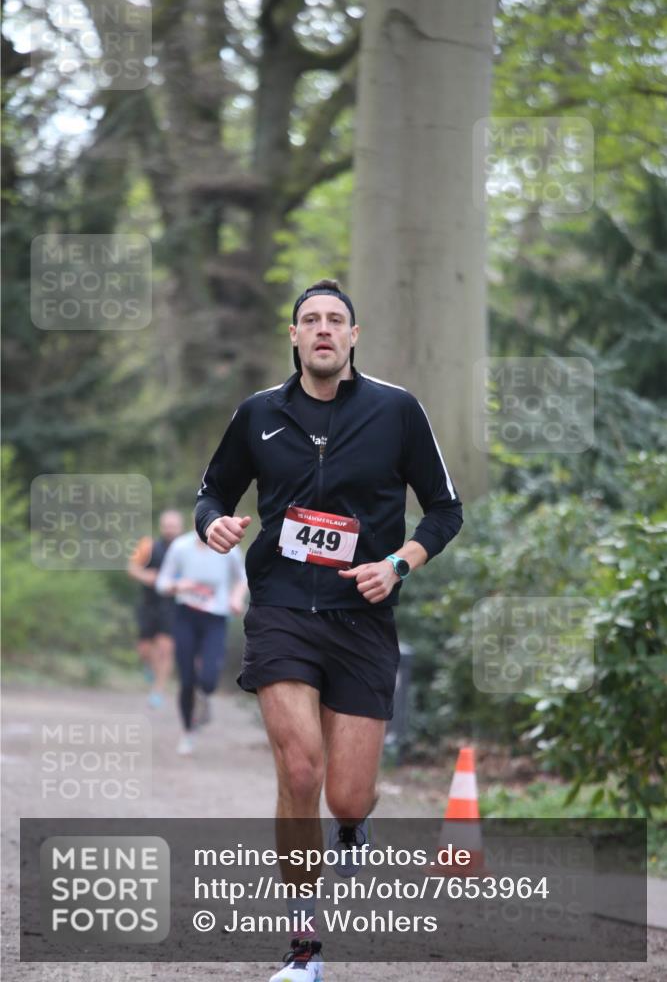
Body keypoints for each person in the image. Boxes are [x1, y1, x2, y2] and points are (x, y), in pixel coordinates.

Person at [195, 279, 463, 981]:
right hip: (281, 608)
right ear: (292, 336)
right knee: (300, 769)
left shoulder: (396, 412)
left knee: (346, 792)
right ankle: (302, 950)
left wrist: (399, 565)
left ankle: (352, 824)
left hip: (362, 616)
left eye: (334, 320)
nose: (321, 329)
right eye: (308, 320)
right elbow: (213, 490)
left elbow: (443, 509)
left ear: (352, 336)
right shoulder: (258, 415)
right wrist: (212, 524)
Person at [156, 528, 247, 755]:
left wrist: (236, 598)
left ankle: (204, 697)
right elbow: (162, 582)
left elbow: (242, 578)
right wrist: (178, 586)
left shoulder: (230, 548)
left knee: (208, 679)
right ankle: (188, 732)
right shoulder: (181, 546)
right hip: (185, 615)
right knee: (186, 679)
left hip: (215, 618)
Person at [127, 509, 183, 708]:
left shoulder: (185, 549)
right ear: (161, 527)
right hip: (148, 603)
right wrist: (146, 577)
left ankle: (158, 691)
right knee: (144, 649)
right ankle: (150, 669)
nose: (170, 530)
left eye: (174, 526)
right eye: (167, 526)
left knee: (165, 649)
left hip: (172, 605)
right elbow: (131, 568)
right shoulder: (147, 545)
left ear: (180, 528)